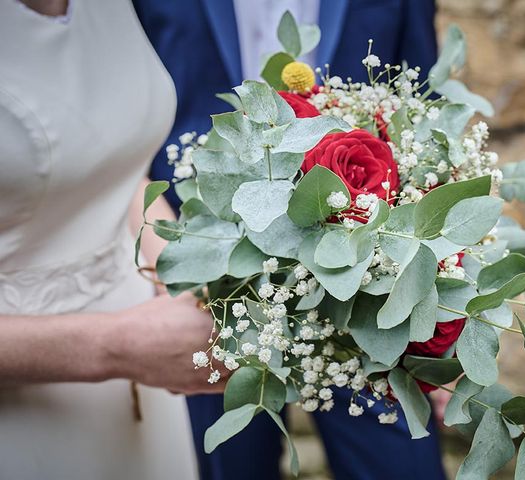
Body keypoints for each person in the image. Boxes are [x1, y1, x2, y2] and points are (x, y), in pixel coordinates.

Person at [133, 1, 447, 479]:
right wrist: (166, 258)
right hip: (207, 276)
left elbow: (425, 113)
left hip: (364, 278)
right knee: (226, 467)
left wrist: (439, 314)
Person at [0, 1, 227, 478]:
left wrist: (183, 269)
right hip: (25, 409)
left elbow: (112, 167)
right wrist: (115, 345)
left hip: (146, 362)